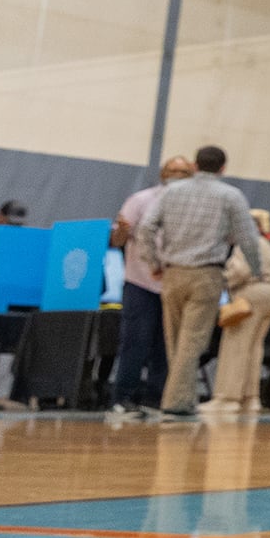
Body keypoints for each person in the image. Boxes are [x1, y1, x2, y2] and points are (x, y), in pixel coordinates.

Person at [137, 145, 263, 421]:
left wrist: (153, 262)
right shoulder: (231, 196)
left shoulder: (171, 192)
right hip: (206, 274)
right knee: (192, 342)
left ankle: (181, 399)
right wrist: (256, 270)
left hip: (172, 273)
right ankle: (175, 404)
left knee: (175, 340)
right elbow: (249, 238)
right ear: (223, 168)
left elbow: (145, 227)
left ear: (195, 165)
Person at [109, 155, 195, 416]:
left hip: (175, 284)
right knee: (135, 341)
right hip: (140, 283)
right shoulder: (141, 200)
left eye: (182, 171)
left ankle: (156, 399)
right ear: (162, 173)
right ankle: (122, 398)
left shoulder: (195, 204)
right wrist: (123, 229)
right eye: (172, 170)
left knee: (166, 345)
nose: (177, 175)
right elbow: (117, 240)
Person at [205, 209, 270, 414]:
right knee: (255, 349)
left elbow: (240, 271)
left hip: (250, 295)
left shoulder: (248, 243)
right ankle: (251, 398)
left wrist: (222, 279)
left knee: (236, 347)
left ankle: (228, 399)